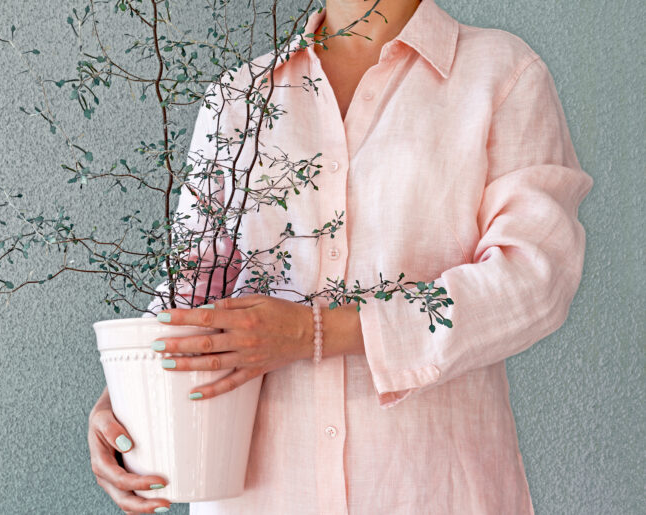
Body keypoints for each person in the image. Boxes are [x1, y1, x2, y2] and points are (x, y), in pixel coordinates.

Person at [87, 0, 594, 513]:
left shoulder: (502, 76)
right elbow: (191, 290)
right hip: (264, 495)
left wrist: (316, 332)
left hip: (430, 490)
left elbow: (534, 279)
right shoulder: (240, 99)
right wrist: (130, 395)